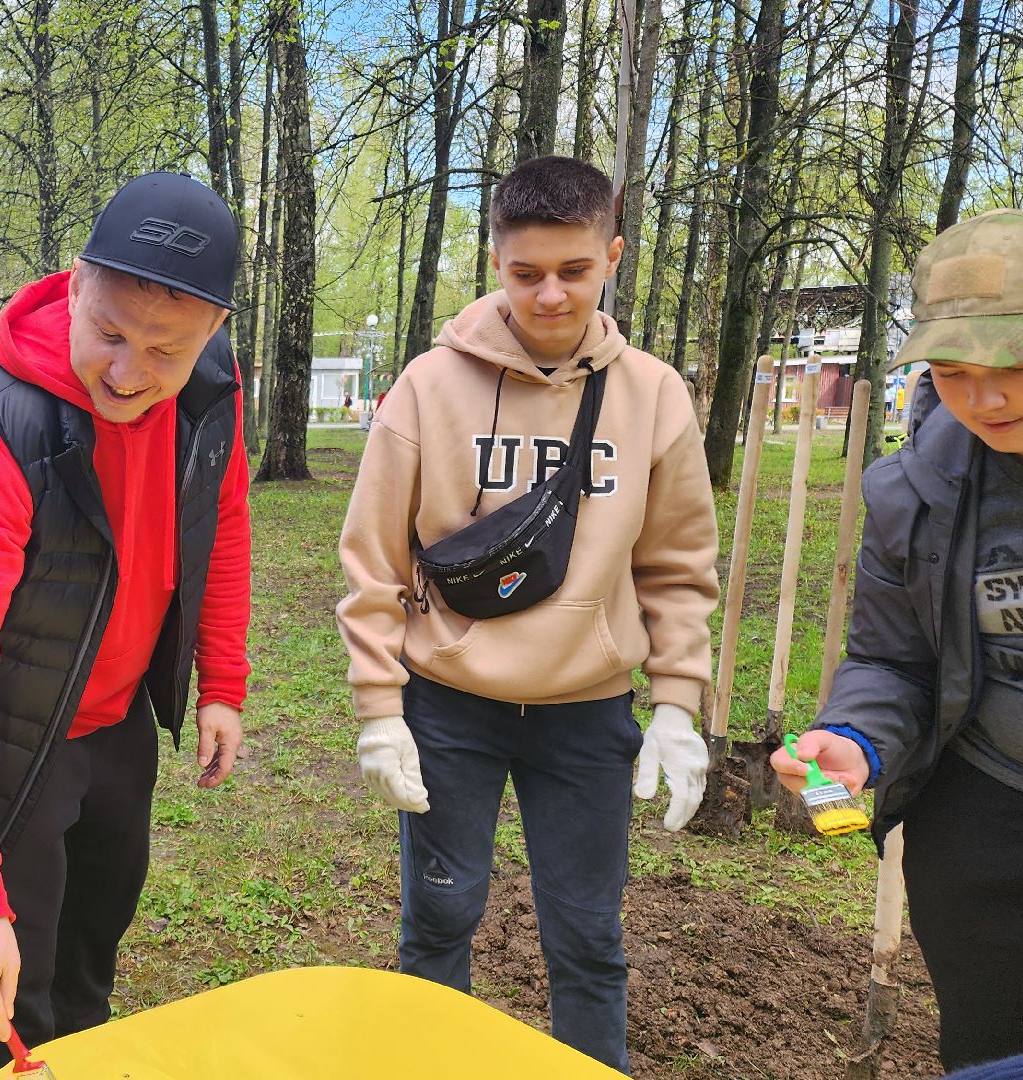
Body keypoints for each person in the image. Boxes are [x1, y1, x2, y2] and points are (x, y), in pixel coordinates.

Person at [336, 156, 720, 1072]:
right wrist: (381, 710)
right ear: (496, 260)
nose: (550, 295)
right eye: (526, 272)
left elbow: (676, 563)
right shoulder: (429, 387)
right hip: (449, 707)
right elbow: (373, 561)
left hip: (587, 714)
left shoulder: (655, 395)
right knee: (438, 919)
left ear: (613, 257)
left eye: (575, 271)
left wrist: (675, 699)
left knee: (589, 937)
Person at [0, 171, 251, 1080]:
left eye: (164, 350)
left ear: (213, 333)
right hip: (17, 733)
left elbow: (224, 514)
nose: (128, 374)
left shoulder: (213, 388)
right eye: (110, 334)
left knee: (94, 950)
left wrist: (224, 681)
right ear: (75, 283)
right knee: (16, 990)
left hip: (120, 719)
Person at [770, 208, 1023, 1071]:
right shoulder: (913, 492)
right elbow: (894, 660)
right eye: (954, 372)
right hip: (997, 846)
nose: (985, 398)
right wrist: (853, 741)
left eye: (1015, 365)